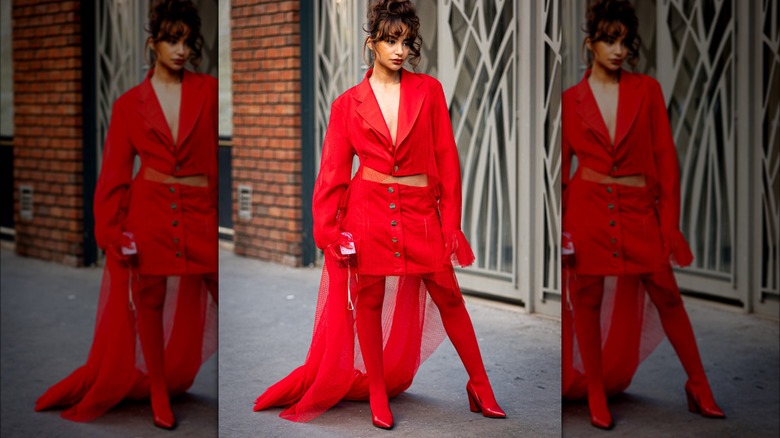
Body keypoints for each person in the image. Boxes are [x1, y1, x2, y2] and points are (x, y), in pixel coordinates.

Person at [253, 0, 505, 429]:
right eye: (390, 40)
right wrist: (329, 231)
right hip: (367, 212)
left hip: (423, 211)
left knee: (449, 296)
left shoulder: (430, 91)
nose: (399, 50)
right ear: (372, 43)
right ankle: (375, 393)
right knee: (367, 301)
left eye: (406, 41)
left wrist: (451, 223)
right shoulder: (347, 104)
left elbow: (447, 161)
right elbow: (332, 173)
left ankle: (480, 384)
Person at [35, 0, 218, 430]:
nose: (180, 50)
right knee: (149, 300)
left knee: (219, 291)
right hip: (149, 213)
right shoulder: (128, 105)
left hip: (201, 212)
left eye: (187, 42)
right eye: (171, 40)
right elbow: (115, 175)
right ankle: (157, 391)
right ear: (152, 43)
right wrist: (112, 231)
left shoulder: (208, 91)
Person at [560, 0, 725, 430]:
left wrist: (669, 224)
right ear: (590, 43)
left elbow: (667, 162)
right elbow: (560, 171)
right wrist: (560, 227)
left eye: (624, 42)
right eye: (608, 40)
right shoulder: (571, 100)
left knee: (667, 294)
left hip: (639, 212)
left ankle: (699, 384)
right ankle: (596, 392)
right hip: (588, 212)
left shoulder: (646, 91)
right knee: (588, 301)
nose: (617, 50)